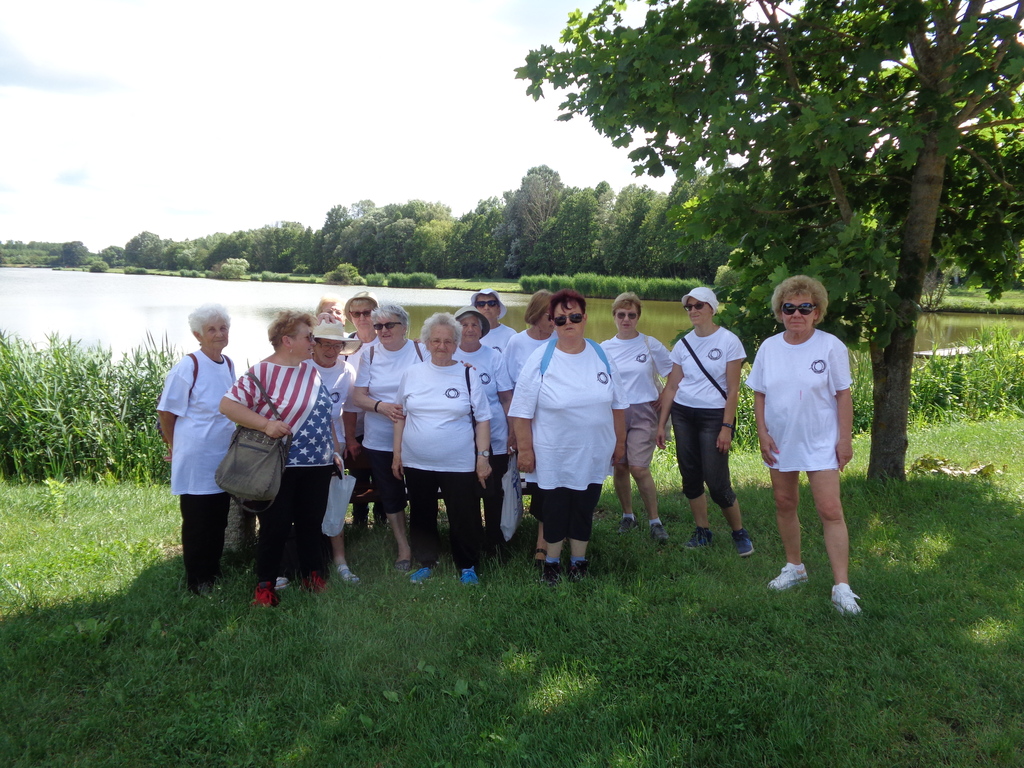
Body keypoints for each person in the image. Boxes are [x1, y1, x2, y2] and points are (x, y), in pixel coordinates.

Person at [746, 275, 860, 615]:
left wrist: (844, 439)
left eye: (804, 307)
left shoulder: (830, 347)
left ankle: (842, 586)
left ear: (817, 312)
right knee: (784, 502)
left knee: (830, 509)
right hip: (780, 441)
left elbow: (843, 395)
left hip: (821, 441)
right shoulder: (768, 347)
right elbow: (759, 393)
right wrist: (762, 432)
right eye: (789, 308)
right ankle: (795, 568)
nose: (796, 314)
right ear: (780, 312)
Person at [220, 310, 342, 606]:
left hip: (318, 463)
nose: (313, 342)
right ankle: (265, 587)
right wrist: (266, 425)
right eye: (308, 337)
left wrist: (334, 450)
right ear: (287, 341)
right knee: (275, 528)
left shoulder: (309, 370)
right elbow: (228, 405)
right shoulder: (262, 372)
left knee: (311, 524)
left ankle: (312, 576)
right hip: (280, 465)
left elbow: (323, 415)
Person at [510, 289, 627, 585]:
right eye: (561, 319)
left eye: (575, 316)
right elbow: (521, 412)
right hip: (553, 454)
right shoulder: (541, 359)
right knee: (555, 509)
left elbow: (617, 406)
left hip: (594, 452)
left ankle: (578, 563)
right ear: (552, 322)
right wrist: (525, 451)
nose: (568, 323)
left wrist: (620, 443)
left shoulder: (601, 355)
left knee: (584, 508)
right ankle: (551, 564)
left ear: (585, 318)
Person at [392, 313, 492, 584]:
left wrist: (482, 458)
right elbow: (400, 416)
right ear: (425, 342)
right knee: (422, 513)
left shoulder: (468, 374)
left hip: (458, 462)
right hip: (416, 461)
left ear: (457, 343)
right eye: (435, 340)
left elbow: (483, 419)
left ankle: (467, 564)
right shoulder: (411, 374)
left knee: (464, 514)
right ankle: (426, 561)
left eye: (448, 341)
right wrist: (397, 454)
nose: (441, 346)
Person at [656, 287, 753, 555]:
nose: (693, 311)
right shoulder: (683, 344)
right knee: (690, 477)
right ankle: (703, 531)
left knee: (717, 481)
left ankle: (739, 532)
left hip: (714, 416)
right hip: (683, 414)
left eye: (699, 305)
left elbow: (733, 390)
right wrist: (662, 424)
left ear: (712, 308)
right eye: (689, 307)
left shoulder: (729, 341)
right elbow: (672, 386)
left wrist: (726, 427)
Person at [156, 304, 236, 595]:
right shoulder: (189, 366)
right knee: (198, 521)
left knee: (218, 517)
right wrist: (175, 446)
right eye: (212, 329)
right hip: (195, 457)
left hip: (221, 456)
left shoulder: (227, 363)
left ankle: (213, 571)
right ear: (197, 335)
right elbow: (166, 412)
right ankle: (197, 581)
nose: (219, 334)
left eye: (223, 327)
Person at [349, 304, 422, 570]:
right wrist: (382, 407)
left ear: (404, 326)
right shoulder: (368, 354)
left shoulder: (420, 350)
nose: (383, 331)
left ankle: (424, 543)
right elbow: (358, 396)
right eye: (378, 326)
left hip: (416, 435)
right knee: (391, 494)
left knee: (420, 491)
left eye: (389, 325)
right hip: (379, 438)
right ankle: (403, 547)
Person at [601, 292, 674, 541]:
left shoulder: (649, 344)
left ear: (638, 317)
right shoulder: (603, 349)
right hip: (615, 413)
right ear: (614, 316)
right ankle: (627, 516)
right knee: (620, 465)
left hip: (644, 412)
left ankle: (655, 521)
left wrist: (665, 394)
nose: (626, 319)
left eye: (631, 315)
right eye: (621, 314)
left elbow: (674, 373)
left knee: (639, 467)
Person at [453, 305, 513, 557]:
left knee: (492, 492)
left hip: (495, 437)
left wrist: (513, 433)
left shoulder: (494, 357)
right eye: (464, 324)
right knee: (466, 493)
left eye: (474, 325)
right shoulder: (446, 353)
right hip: (459, 439)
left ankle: (495, 543)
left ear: (482, 330)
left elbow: (507, 398)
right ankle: (473, 541)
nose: (469, 329)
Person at [500, 289, 554, 565]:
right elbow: (507, 390)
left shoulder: (563, 341)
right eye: (549, 315)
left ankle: (543, 544)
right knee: (533, 476)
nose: (555, 320)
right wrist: (513, 430)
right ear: (535, 314)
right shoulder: (517, 343)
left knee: (551, 483)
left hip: (554, 427)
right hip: (524, 426)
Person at [309, 320, 361, 583]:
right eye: (325, 344)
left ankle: (340, 560)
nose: (331, 350)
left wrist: (347, 441)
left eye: (337, 345)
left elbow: (349, 409)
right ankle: (303, 559)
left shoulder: (347, 370)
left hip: (335, 445)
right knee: (306, 504)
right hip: (304, 447)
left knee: (336, 503)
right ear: (313, 345)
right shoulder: (302, 368)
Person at [341, 291, 383, 528]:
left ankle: (382, 516)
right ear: (350, 316)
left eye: (367, 312)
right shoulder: (344, 346)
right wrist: (348, 436)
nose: (362, 317)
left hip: (380, 420)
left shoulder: (387, 341)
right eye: (356, 313)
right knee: (357, 473)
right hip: (352, 422)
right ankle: (358, 518)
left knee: (382, 472)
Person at [502, 290, 554, 387]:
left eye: (558, 316)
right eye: (550, 317)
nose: (554, 322)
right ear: (537, 314)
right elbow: (505, 379)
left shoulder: (561, 340)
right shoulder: (516, 341)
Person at [470, 288, 516, 353]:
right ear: (475, 309)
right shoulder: (468, 334)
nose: (486, 308)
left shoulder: (510, 335)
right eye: (481, 304)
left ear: (499, 309)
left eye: (491, 303)